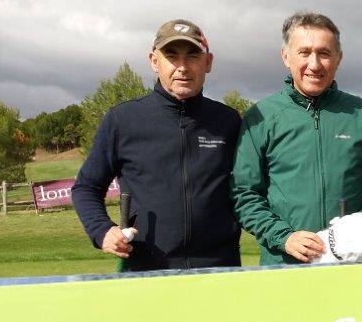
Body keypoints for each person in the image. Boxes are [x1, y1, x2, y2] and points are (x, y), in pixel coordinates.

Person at [232, 12, 362, 265]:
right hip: (284, 267)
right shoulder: (262, 117)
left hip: (353, 264)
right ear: (285, 56)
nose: (314, 64)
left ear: (339, 58)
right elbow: (244, 194)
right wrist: (284, 237)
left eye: (324, 53)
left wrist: (358, 228)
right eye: (304, 52)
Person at [72, 19, 242, 271]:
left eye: (193, 56)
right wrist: (102, 230)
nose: (182, 67)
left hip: (219, 268)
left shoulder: (229, 121)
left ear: (208, 63)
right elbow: (86, 187)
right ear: (154, 61)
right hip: (146, 269)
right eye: (172, 56)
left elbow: (250, 190)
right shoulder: (123, 119)